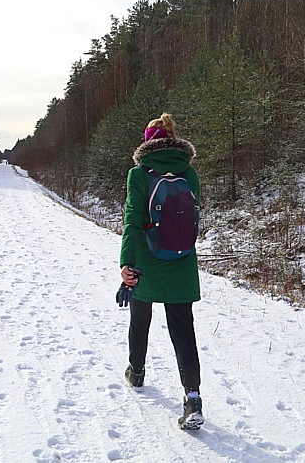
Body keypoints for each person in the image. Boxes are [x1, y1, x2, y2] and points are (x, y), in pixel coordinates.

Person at [119, 112, 205, 430]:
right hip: (182, 261)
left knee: (140, 320)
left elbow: (131, 221)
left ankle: (136, 371)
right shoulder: (189, 173)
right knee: (183, 331)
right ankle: (193, 399)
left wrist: (126, 263)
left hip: (146, 261)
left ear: (147, 143)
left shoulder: (139, 175)